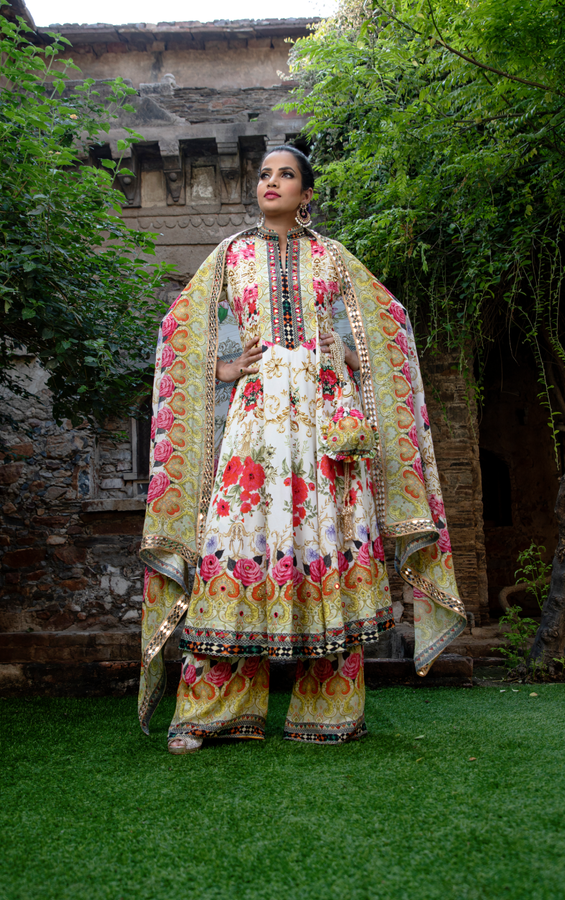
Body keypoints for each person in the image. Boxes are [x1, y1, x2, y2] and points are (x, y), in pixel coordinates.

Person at [138, 145, 466, 754]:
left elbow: (389, 319)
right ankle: (210, 714)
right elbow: (176, 330)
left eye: (285, 175)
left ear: (306, 193)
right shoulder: (231, 254)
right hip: (257, 419)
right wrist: (229, 366)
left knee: (326, 543)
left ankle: (329, 711)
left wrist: (348, 354)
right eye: (264, 174)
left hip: (323, 421)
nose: (271, 182)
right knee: (236, 543)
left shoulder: (332, 256)